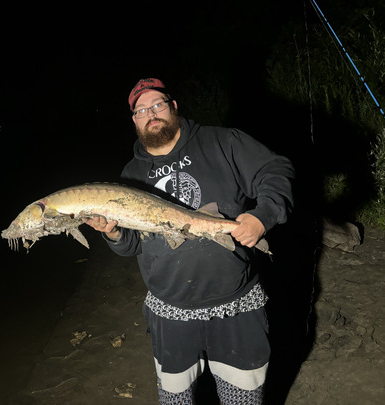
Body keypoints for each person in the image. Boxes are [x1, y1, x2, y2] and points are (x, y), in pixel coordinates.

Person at [83, 78, 294, 404]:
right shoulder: (130, 176)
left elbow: (276, 169)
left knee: (244, 398)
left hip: (236, 304)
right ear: (134, 120)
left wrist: (262, 215)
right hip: (170, 311)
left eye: (157, 105)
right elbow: (132, 245)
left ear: (174, 107)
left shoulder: (222, 141)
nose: (150, 113)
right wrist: (112, 233)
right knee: (176, 399)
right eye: (141, 110)